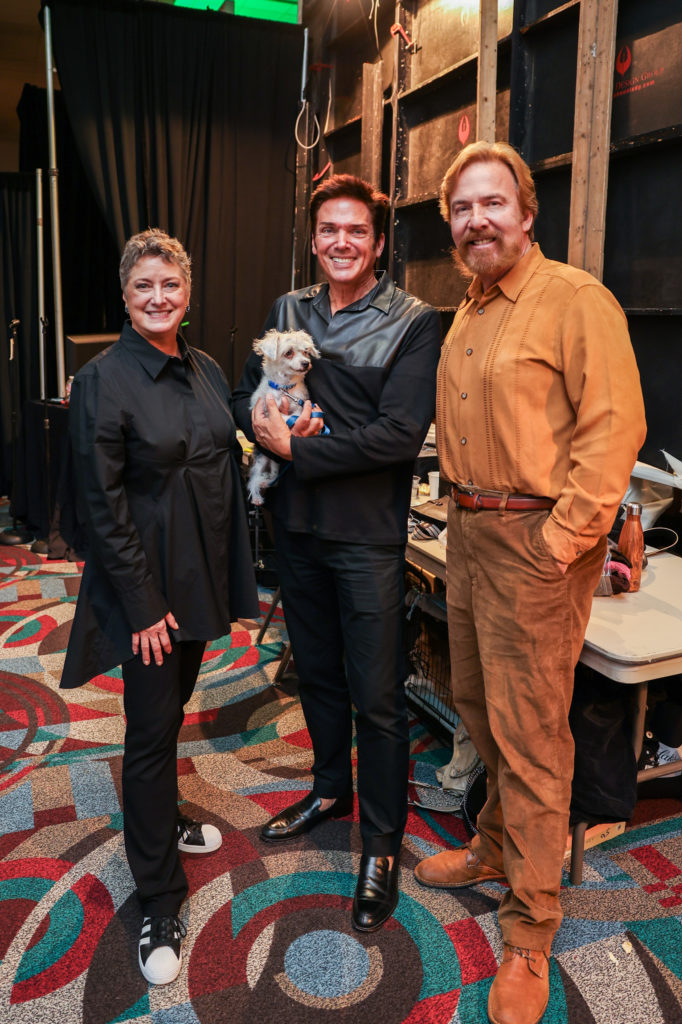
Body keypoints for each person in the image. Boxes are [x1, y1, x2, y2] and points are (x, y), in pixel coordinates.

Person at [413, 142, 646, 1024]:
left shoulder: (572, 300)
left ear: (525, 210)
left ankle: (530, 930)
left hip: (535, 542)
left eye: (491, 203)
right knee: (476, 703)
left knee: (532, 735)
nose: (477, 221)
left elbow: (614, 427)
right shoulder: (469, 311)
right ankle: (495, 843)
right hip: (468, 533)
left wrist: (561, 542)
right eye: (462, 209)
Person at [233, 174, 441, 932]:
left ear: (378, 242)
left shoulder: (414, 321)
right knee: (315, 673)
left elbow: (397, 435)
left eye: (356, 231)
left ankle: (381, 843)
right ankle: (329, 789)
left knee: (377, 696)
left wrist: (293, 446)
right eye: (328, 230)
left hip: (364, 539)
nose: (341, 243)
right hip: (294, 530)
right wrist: (256, 419)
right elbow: (245, 395)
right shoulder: (289, 310)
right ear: (314, 238)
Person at [61, 229, 258, 986]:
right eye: (143, 285)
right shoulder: (104, 379)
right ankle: (158, 898)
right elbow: (99, 507)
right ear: (124, 294)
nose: (157, 297)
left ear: (186, 291)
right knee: (148, 732)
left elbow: (226, 448)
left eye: (169, 284)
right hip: (145, 589)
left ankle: (165, 817)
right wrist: (142, 606)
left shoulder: (203, 368)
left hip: (199, 577)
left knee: (171, 712)